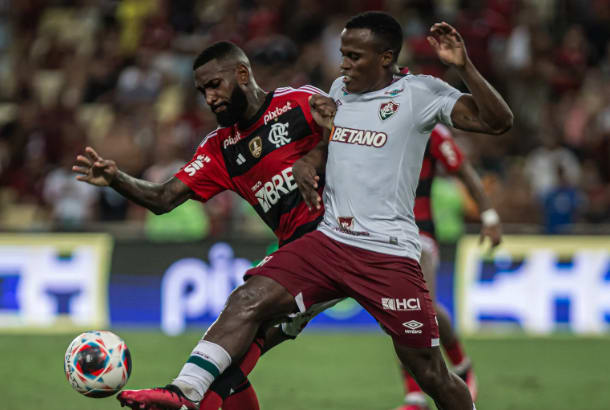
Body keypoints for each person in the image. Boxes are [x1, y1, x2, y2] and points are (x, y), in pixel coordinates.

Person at [117, 11, 512, 410]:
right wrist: (310, 159)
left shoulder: (421, 93)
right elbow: (335, 142)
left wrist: (466, 68)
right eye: (343, 54)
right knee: (248, 299)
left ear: (385, 58)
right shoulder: (339, 90)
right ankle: (183, 392)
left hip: (388, 252)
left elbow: (498, 122)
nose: (343, 64)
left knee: (432, 375)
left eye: (355, 56)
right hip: (329, 241)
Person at [72, 41, 338, 410]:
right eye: (202, 91)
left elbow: (349, 132)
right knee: (230, 356)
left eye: (215, 85)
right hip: (299, 252)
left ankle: (184, 393)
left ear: (242, 75)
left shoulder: (299, 103)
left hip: (339, 236)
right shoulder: (220, 148)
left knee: (244, 306)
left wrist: (312, 159)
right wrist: (118, 179)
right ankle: (190, 397)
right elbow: (164, 198)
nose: (209, 98)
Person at [394, 123, 502, 410]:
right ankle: (418, 393)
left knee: (417, 307)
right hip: (380, 232)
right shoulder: (369, 119)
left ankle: (449, 372)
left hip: (419, 232)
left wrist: (489, 217)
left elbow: (463, 170)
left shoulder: (428, 127)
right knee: (399, 311)